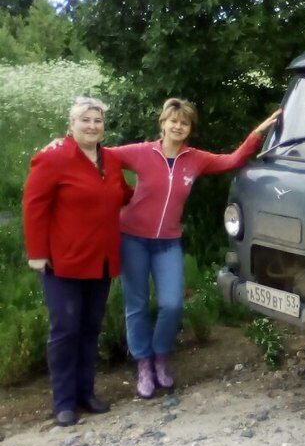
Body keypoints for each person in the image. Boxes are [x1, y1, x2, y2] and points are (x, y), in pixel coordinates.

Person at [107, 98, 281, 398]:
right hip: (132, 238)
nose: (177, 126)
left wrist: (258, 133)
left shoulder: (195, 159)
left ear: (190, 128)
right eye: (172, 121)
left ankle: (161, 358)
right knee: (135, 305)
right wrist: (68, 147)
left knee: (172, 304)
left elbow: (232, 160)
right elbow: (102, 156)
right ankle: (144, 365)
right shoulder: (140, 152)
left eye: (184, 122)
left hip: (167, 243)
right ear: (162, 123)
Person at [23, 97, 133, 426]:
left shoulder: (110, 160)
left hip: (100, 261)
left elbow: (125, 194)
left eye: (97, 120)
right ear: (71, 124)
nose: (92, 126)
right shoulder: (53, 157)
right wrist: (37, 254)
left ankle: (86, 393)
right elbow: (34, 207)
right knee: (65, 330)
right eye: (85, 120)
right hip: (63, 262)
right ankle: (64, 402)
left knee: (89, 329)